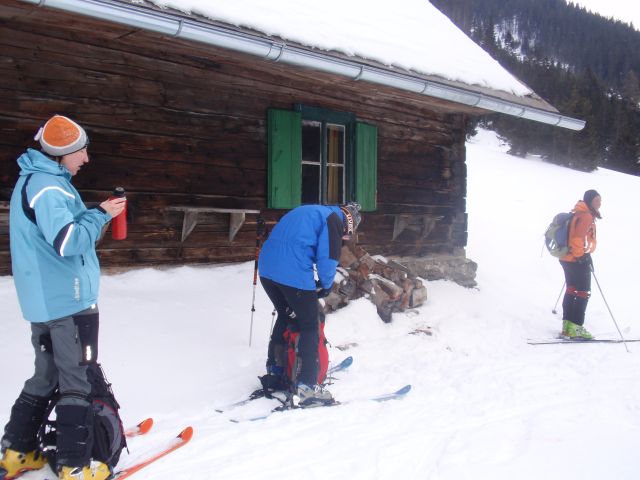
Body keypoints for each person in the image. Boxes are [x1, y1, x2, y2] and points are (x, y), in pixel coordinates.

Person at [0, 115, 126, 480]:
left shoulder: (37, 180)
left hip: (45, 301)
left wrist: (96, 215)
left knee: (46, 374)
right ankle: (74, 465)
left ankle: (18, 452)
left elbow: (59, 231)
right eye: (81, 151)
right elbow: (68, 242)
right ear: (61, 153)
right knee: (77, 379)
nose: (86, 158)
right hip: (67, 303)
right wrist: (100, 215)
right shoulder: (49, 188)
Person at [258, 202, 362, 406]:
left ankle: (276, 372)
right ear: (349, 223)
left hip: (267, 269)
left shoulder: (311, 211)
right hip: (291, 272)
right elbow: (328, 257)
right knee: (310, 325)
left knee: (285, 315)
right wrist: (326, 285)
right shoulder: (334, 220)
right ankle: (307, 387)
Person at [559, 189, 602, 340]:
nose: (599, 203)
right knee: (584, 292)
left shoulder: (578, 212)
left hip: (566, 257)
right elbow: (577, 238)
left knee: (571, 289)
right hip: (576, 258)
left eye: (600, 200)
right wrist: (581, 257)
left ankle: (567, 327)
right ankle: (576, 327)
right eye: (596, 200)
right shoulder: (586, 216)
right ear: (589, 201)